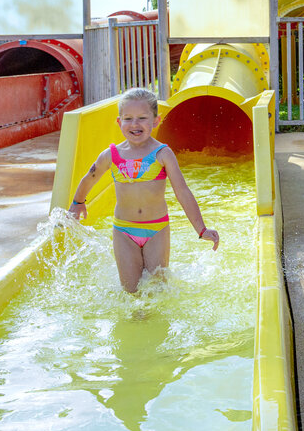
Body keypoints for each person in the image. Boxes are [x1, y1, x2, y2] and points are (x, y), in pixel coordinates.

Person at [69, 88, 219, 292]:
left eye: (142, 118)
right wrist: (78, 203)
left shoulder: (162, 154)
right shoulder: (111, 155)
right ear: (119, 122)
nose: (135, 124)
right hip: (123, 230)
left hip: (156, 230)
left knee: (157, 290)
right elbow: (90, 177)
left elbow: (182, 191)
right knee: (130, 292)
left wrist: (201, 229)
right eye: (128, 118)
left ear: (155, 121)